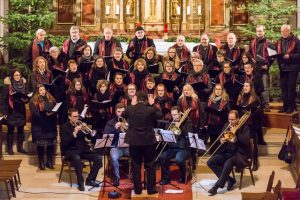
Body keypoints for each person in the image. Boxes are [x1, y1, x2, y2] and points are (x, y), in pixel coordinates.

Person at [122, 91, 163, 195]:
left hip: (134, 142)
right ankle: (151, 189)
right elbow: (160, 115)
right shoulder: (150, 109)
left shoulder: (130, 108)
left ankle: (137, 190)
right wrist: (152, 104)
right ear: (146, 100)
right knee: (150, 165)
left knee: (136, 166)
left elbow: (123, 115)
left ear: (136, 99)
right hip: (148, 142)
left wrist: (132, 104)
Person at [207, 110, 251, 196]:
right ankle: (230, 180)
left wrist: (236, 134)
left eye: (233, 119)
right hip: (227, 152)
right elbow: (221, 137)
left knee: (228, 163)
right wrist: (221, 140)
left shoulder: (245, 127)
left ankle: (216, 187)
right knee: (211, 162)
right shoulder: (227, 125)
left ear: (238, 119)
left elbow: (246, 142)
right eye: (229, 119)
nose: (230, 122)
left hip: (239, 154)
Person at [60, 108, 102, 191]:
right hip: (71, 151)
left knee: (99, 158)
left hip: (83, 149)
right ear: (69, 117)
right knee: (77, 159)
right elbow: (65, 143)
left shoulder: (81, 125)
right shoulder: (63, 127)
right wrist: (74, 133)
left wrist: (88, 130)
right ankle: (80, 182)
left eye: (77, 116)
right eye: (74, 116)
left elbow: (90, 137)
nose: (77, 118)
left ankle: (90, 180)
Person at [159, 106, 193, 185]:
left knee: (179, 159)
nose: (174, 117)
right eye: (173, 115)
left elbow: (189, 134)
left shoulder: (187, 122)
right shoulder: (170, 122)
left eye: (175, 115)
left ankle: (183, 174)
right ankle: (166, 178)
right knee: (162, 157)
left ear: (180, 113)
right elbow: (166, 134)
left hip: (184, 148)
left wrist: (180, 126)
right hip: (172, 148)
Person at [236, 80, 264, 170]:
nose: (245, 88)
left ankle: (254, 163)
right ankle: (243, 162)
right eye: (244, 86)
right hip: (242, 124)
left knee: (252, 145)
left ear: (251, 88)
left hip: (251, 124)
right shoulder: (240, 97)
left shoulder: (255, 98)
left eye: (247, 86)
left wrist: (250, 113)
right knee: (242, 144)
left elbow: (259, 112)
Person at [29, 84, 57, 170]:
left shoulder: (50, 98)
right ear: (37, 92)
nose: (43, 91)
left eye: (44, 89)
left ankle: (49, 162)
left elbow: (55, 109)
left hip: (50, 126)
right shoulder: (33, 101)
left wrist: (52, 112)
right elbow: (34, 114)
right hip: (39, 127)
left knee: (51, 145)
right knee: (40, 146)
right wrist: (44, 112)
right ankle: (41, 162)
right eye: (40, 90)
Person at [2, 69, 29, 155]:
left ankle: (20, 148)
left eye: (18, 75)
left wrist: (25, 99)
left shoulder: (24, 86)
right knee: (10, 130)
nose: (17, 77)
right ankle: (10, 149)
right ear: (12, 76)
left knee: (21, 130)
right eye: (15, 75)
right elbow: (3, 100)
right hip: (11, 111)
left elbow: (27, 97)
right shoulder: (8, 87)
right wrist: (4, 112)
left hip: (21, 110)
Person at [249, 25, 275, 112]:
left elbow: (273, 56)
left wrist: (267, 65)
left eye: (260, 31)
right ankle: (256, 103)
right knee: (255, 85)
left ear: (264, 32)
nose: (259, 33)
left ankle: (266, 104)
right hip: (255, 68)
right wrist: (252, 59)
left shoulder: (269, 43)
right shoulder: (252, 42)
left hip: (264, 68)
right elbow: (250, 54)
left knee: (264, 86)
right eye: (257, 31)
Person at [103, 103, 129, 186]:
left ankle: (134, 176)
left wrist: (129, 128)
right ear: (115, 112)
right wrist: (114, 128)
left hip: (128, 146)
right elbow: (105, 136)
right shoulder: (110, 123)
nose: (121, 114)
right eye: (119, 112)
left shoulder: (129, 121)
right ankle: (116, 178)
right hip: (116, 146)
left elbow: (138, 135)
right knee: (114, 158)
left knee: (137, 154)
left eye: (122, 112)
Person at [276, 24, 300, 113]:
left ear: (289, 31)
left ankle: (291, 106)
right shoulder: (279, 41)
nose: (283, 33)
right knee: (284, 88)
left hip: (293, 68)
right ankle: (285, 106)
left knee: (291, 88)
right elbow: (277, 52)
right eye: (282, 31)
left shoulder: (296, 41)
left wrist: (290, 56)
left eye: (285, 31)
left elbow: (299, 54)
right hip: (283, 68)